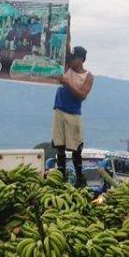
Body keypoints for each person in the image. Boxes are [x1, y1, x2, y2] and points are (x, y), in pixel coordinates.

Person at [52, 46, 94, 188]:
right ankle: (61, 176)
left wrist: (69, 84)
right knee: (59, 145)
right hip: (60, 109)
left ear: (81, 59)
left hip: (74, 113)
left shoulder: (87, 76)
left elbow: (82, 95)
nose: (71, 60)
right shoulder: (66, 67)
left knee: (76, 147)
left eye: (74, 58)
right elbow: (64, 46)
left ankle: (79, 177)